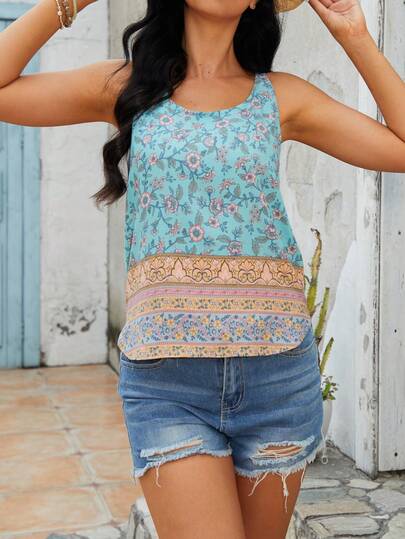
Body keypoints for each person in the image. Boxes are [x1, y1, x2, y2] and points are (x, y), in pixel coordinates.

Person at [1, 0, 405, 537]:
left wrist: (354, 36)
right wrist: (69, 3)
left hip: (277, 377)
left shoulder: (281, 97)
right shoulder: (126, 85)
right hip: (167, 384)